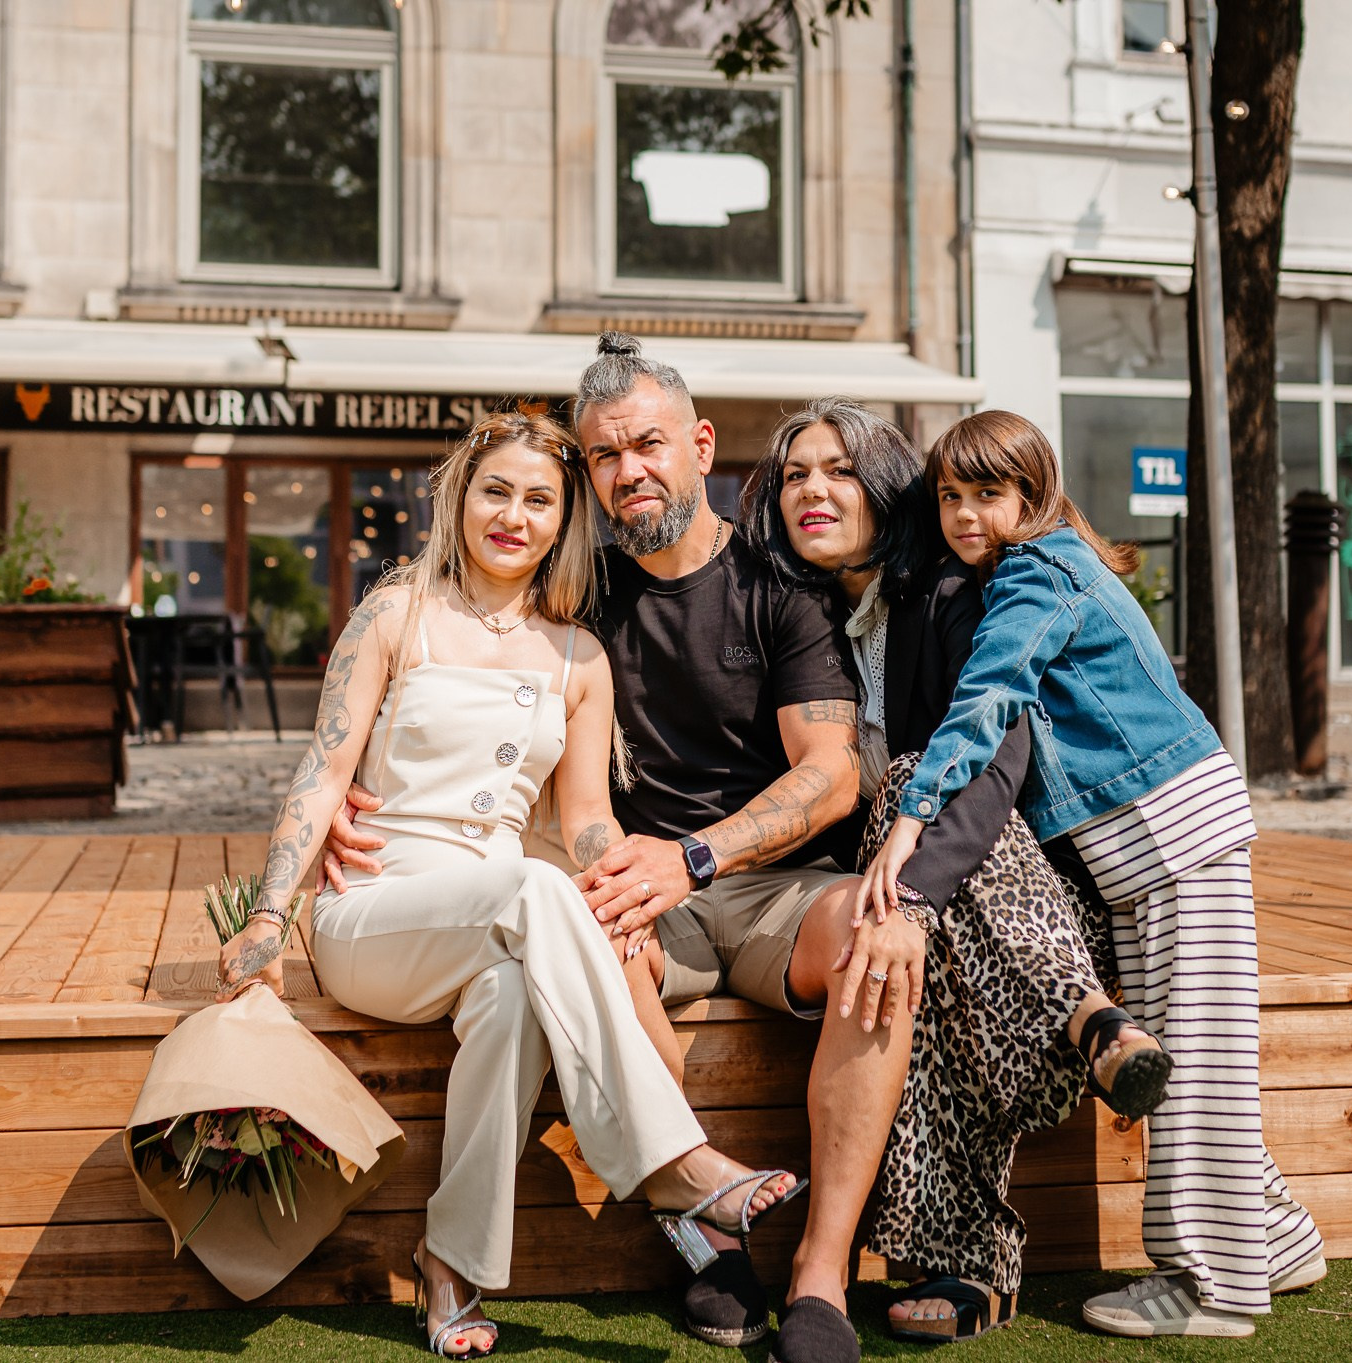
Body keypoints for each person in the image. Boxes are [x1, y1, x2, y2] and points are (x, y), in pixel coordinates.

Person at [325, 336, 919, 1363]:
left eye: (647, 444)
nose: (627, 470)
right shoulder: (574, 589)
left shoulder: (781, 585)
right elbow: (450, 664)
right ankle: (703, 1233)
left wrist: (693, 857)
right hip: (634, 887)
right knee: (588, 926)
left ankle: (820, 1275)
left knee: (877, 945)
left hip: (769, 884)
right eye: (603, 455)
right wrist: (350, 777)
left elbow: (831, 773)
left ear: (700, 446)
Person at [214, 409, 803, 1360]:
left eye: (539, 500)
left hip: (500, 917)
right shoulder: (396, 613)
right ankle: (676, 1164)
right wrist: (268, 916)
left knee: (513, 998)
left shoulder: (578, 655)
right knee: (534, 888)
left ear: (564, 520)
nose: (513, 516)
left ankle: (450, 1265)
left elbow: (586, 820)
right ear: (461, 497)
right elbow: (323, 774)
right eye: (496, 491)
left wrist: (620, 895)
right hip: (376, 913)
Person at [859, 410, 1327, 1340]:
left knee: (1199, 1068)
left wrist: (910, 816)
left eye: (988, 493)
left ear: (1033, 494)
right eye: (949, 496)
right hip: (1153, 849)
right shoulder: (1046, 565)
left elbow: (989, 698)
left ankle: (1214, 1287)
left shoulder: (1036, 572)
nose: (965, 515)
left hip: (1172, 836)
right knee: (1198, 1051)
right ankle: (1277, 1239)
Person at [742, 397, 1171, 1344]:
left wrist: (914, 894)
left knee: (911, 878)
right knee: (901, 958)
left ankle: (973, 1251)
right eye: (795, 475)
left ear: (885, 484)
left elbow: (996, 761)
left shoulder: (952, 587)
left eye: (839, 470)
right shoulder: (799, 612)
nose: (813, 490)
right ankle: (1090, 1024)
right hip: (913, 894)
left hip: (1025, 893)